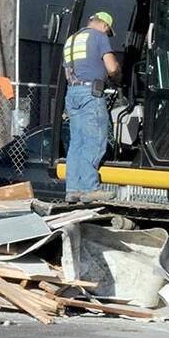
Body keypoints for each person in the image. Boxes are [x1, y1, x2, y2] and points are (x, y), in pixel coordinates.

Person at [62, 11, 120, 203]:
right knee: (94, 141)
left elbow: (66, 73)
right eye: (108, 31)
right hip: (90, 94)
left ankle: (73, 190)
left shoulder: (72, 39)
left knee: (76, 143)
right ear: (104, 25)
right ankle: (90, 188)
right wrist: (117, 75)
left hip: (72, 94)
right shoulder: (99, 36)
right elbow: (111, 68)